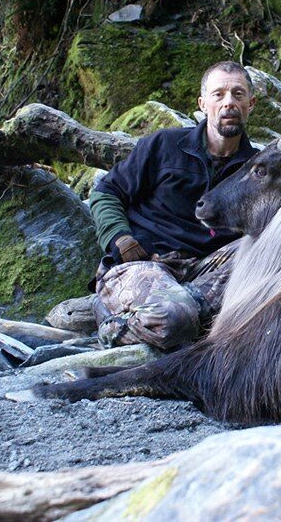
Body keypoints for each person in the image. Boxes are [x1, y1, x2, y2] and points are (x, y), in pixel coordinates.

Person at [87, 61, 260, 349]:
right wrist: (121, 239)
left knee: (263, 248)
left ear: (251, 104)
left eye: (238, 94)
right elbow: (106, 191)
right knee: (173, 320)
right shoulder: (164, 145)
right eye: (219, 95)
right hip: (146, 262)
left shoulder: (257, 169)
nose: (229, 102)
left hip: (206, 272)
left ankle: (184, 313)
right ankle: (113, 322)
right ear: (203, 104)